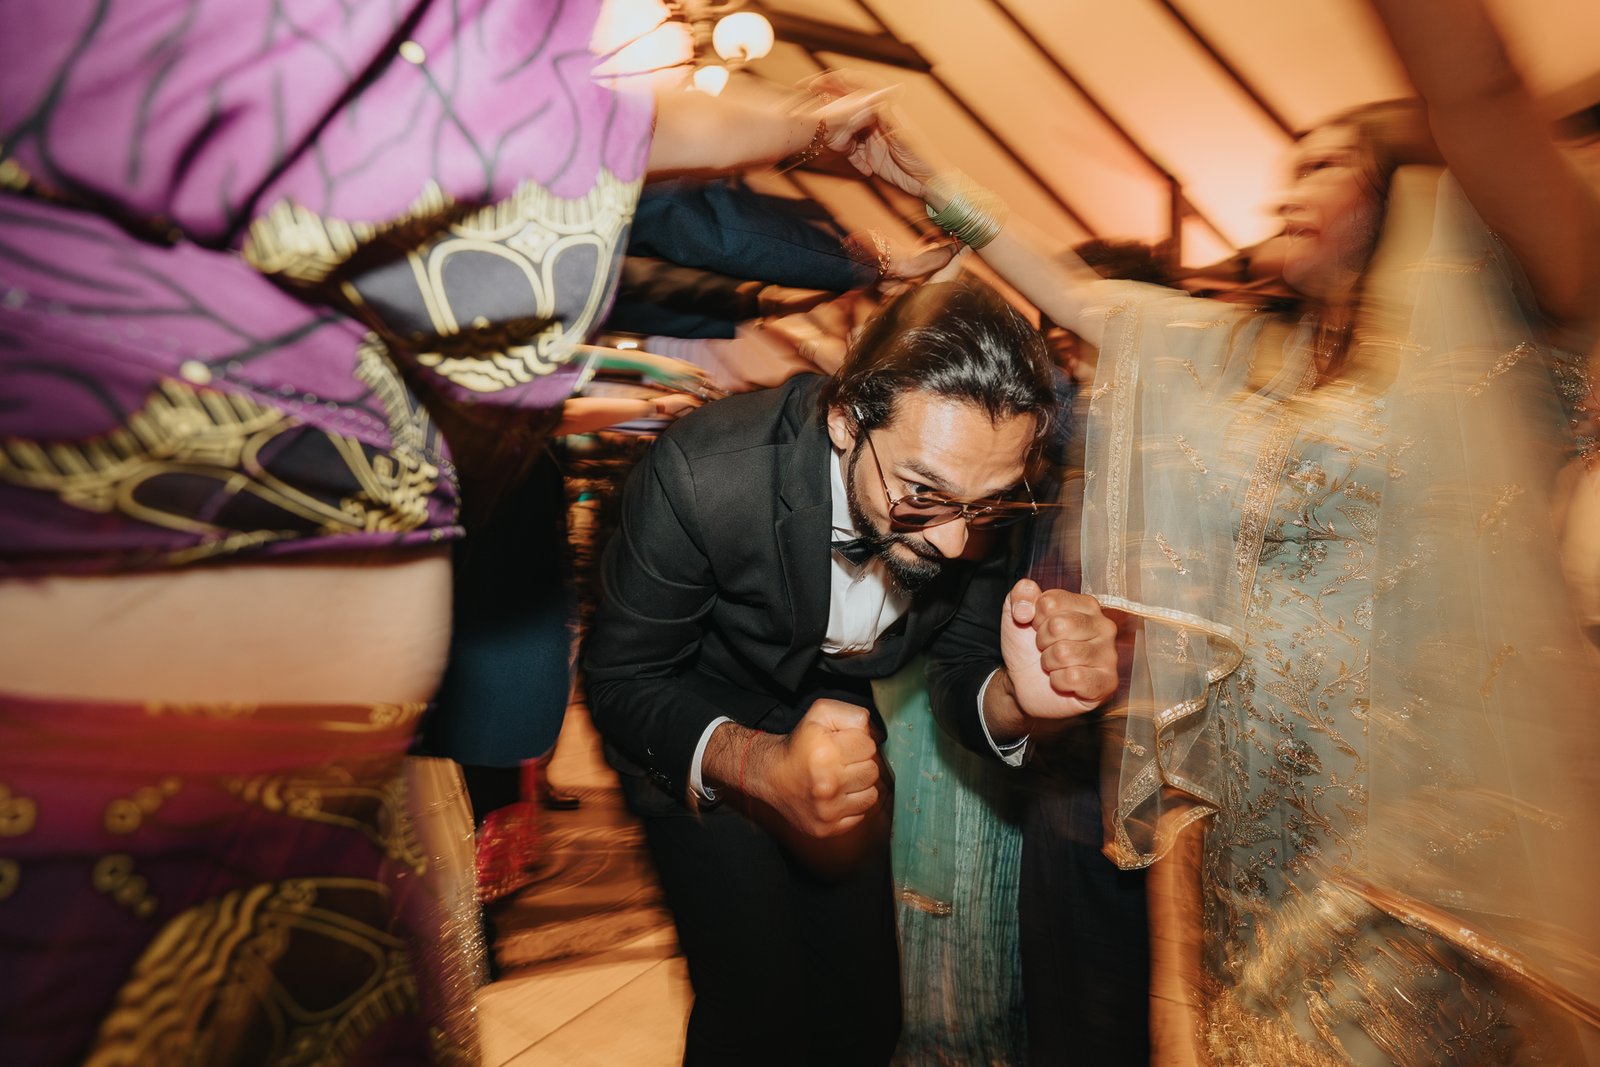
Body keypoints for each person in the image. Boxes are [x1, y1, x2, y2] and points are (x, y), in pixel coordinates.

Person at [0, 1, 902, 1061]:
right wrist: (805, 138)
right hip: (114, 707)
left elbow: (533, 126)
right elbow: (491, 126)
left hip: (312, 765)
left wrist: (806, 137)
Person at [840, 0, 1600, 1061]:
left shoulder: (1496, 347)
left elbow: (1479, 88)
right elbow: (1078, 296)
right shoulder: (1242, 357)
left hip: (1424, 834)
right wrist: (933, 179)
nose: (1287, 190)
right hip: (1260, 835)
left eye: (1323, 166)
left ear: (1405, 192)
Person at [583, 278, 1121, 1066]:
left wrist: (1025, 698)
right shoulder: (705, 473)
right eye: (921, 494)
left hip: (840, 730)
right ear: (845, 418)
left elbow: (960, 669)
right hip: (693, 721)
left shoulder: (981, 485)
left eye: (985, 506)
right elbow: (621, 678)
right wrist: (758, 764)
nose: (953, 542)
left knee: (863, 1013)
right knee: (755, 1016)